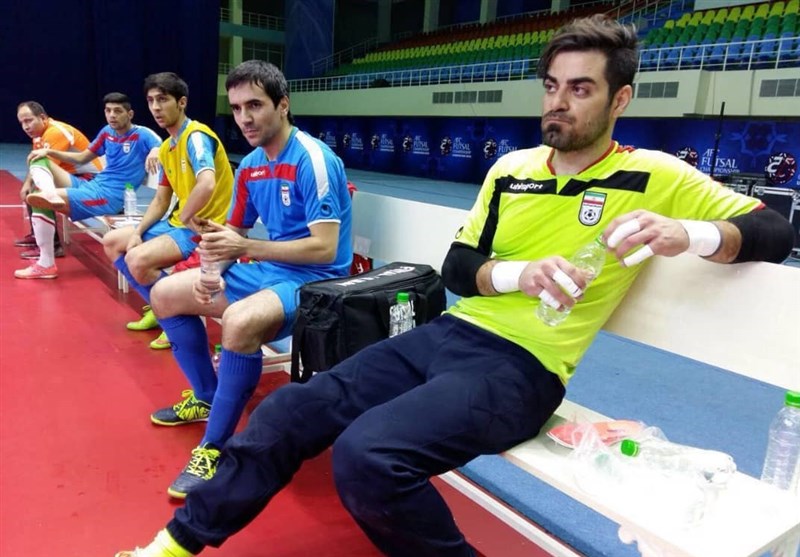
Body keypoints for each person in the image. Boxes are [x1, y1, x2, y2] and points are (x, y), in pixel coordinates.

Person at [116, 15, 795, 557]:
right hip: (452, 333)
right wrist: (522, 273)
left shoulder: (654, 173)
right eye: (551, 86)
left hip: (524, 367)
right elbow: (460, 267)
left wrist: (691, 234)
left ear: (620, 98)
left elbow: (774, 228)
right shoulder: (513, 168)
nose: (558, 103)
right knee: (290, 410)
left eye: (580, 89)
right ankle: (175, 544)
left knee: (368, 457)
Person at [143, 60, 352, 499]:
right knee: (164, 293)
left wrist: (246, 249)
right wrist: (212, 273)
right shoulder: (252, 165)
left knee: (238, 322)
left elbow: (325, 250)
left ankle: (215, 447)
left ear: (283, 105)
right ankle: (206, 396)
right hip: (269, 271)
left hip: (317, 281)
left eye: (255, 105)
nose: (245, 118)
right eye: (237, 108)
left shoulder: (312, 159)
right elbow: (234, 232)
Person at [101, 73, 234, 327]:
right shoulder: (166, 148)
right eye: (151, 101)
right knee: (112, 242)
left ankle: (171, 313)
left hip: (205, 227)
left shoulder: (196, 136)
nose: (155, 107)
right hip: (177, 224)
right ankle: (161, 308)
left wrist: (186, 215)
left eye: (162, 99)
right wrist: (138, 232)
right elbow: (162, 200)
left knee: (137, 260)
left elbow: (207, 183)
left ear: (181, 102)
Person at [16, 93, 161, 279]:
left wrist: (155, 151)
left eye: (118, 111)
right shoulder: (107, 132)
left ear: (130, 114)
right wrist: (49, 152)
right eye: (108, 111)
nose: (112, 115)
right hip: (91, 185)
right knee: (39, 157)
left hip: (109, 197)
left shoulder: (142, 134)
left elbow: (159, 145)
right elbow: (82, 157)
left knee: (39, 198)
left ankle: (46, 264)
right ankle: (50, 193)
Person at [13, 101, 104, 273]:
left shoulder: (55, 132)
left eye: (29, 120)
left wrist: (28, 184)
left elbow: (45, 166)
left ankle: (53, 247)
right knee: (34, 188)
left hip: (91, 181)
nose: (25, 126)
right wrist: (27, 184)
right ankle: (37, 235)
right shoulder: (39, 135)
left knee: (39, 191)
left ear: (42, 118)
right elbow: (37, 164)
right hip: (74, 177)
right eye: (22, 122)